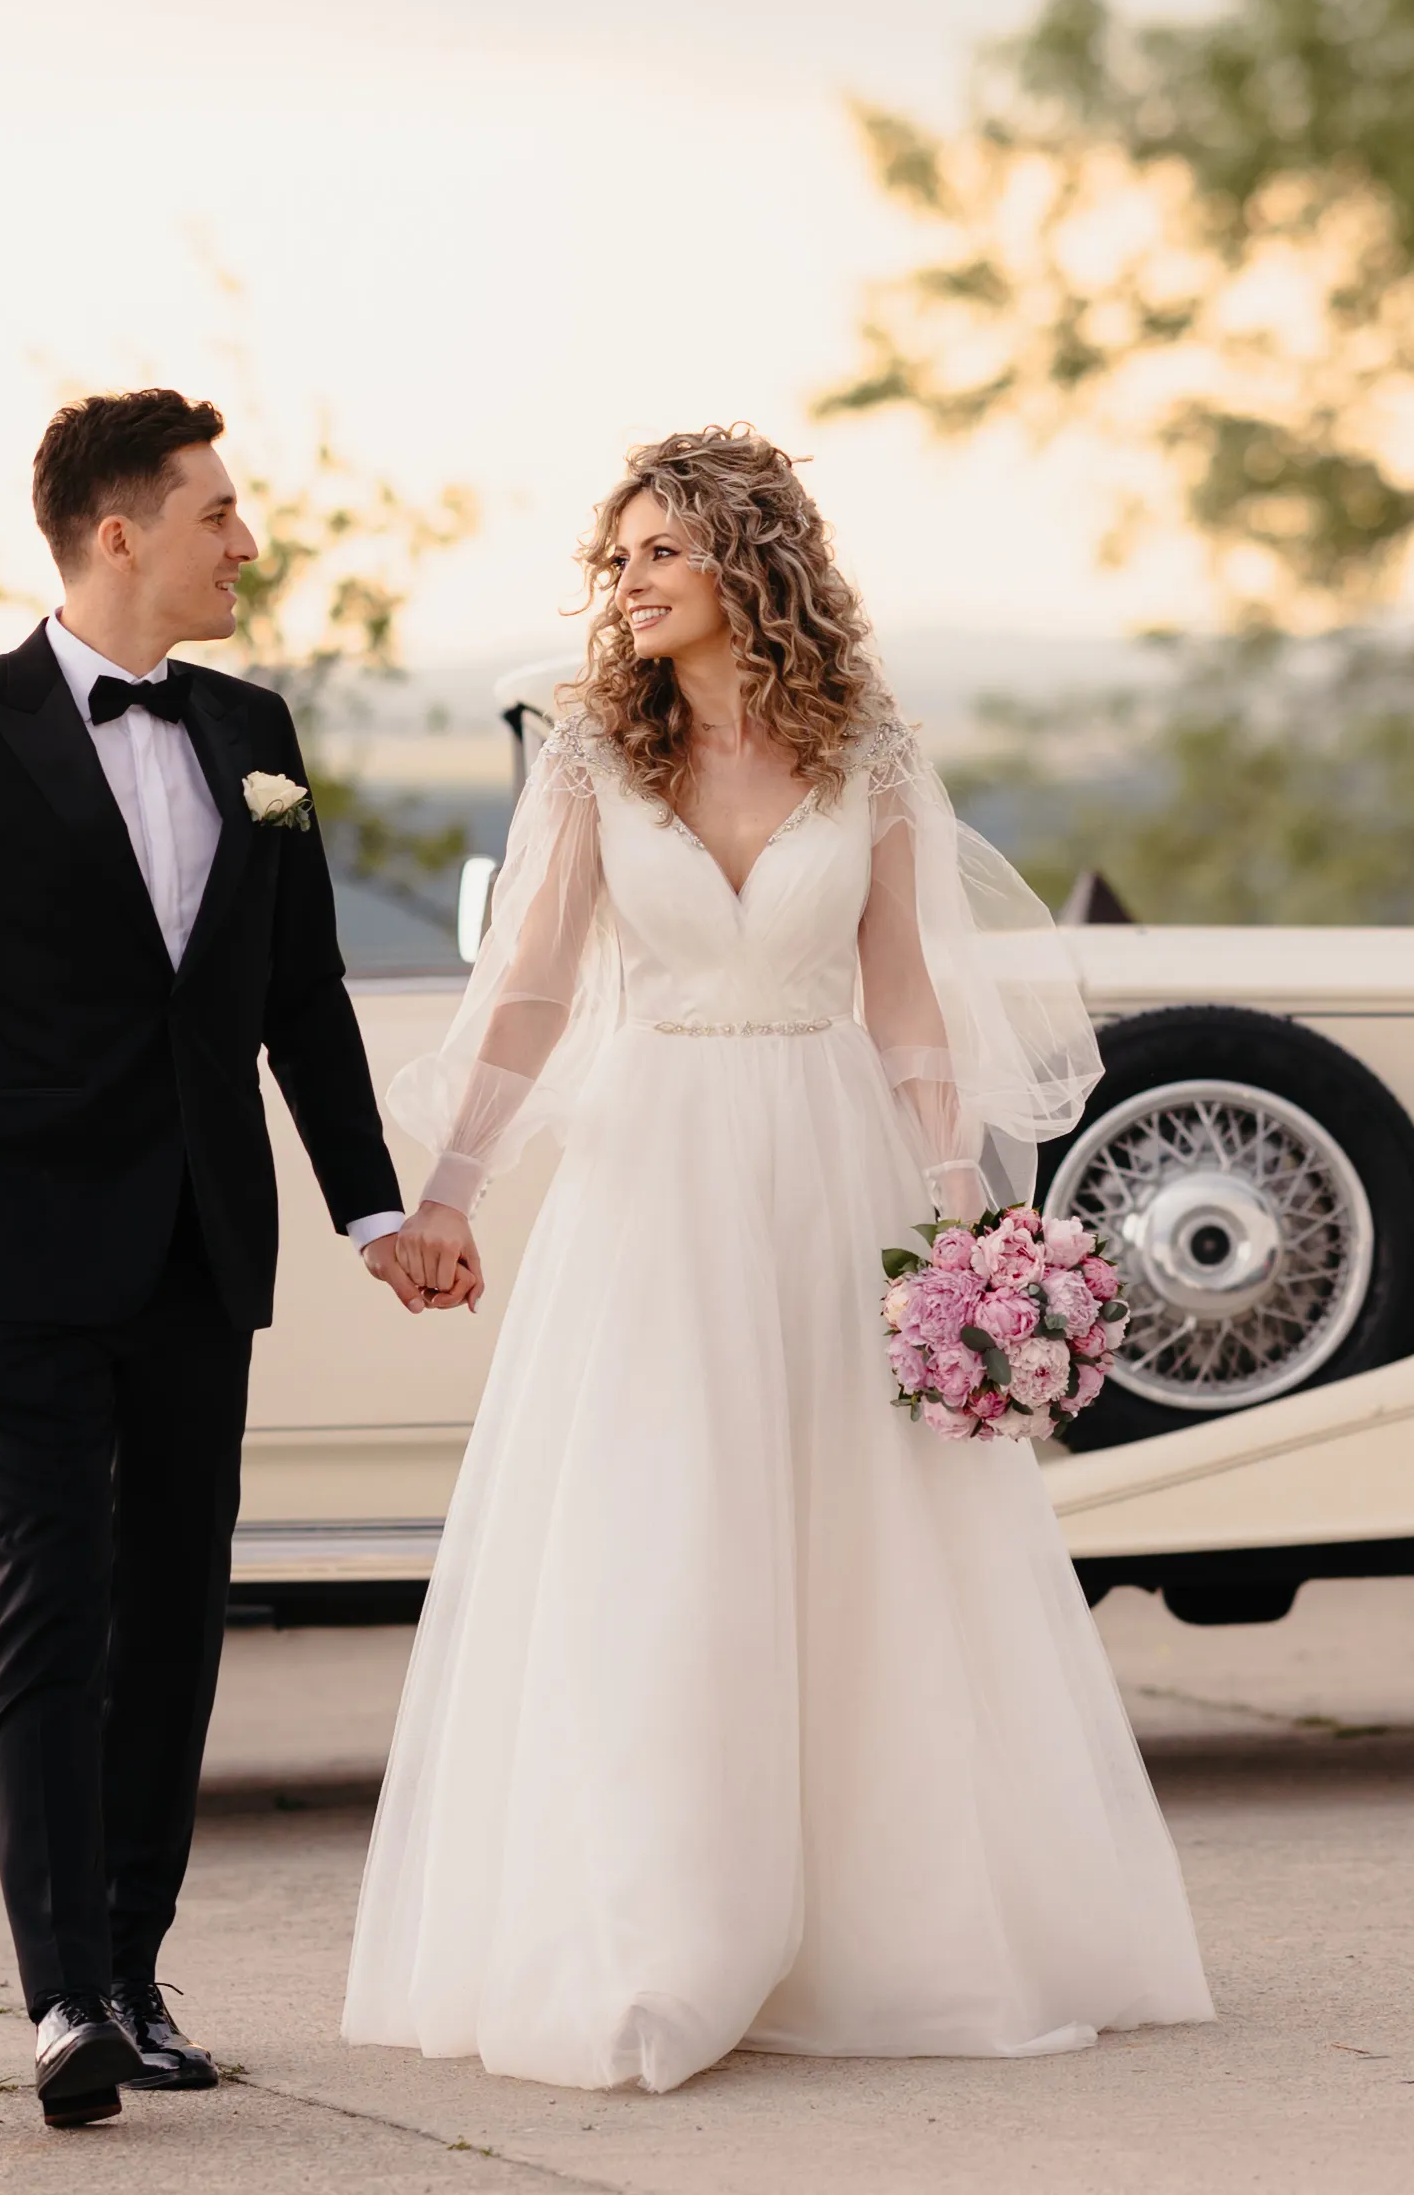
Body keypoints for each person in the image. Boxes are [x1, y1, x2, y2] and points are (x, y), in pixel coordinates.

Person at [347, 425, 1211, 2091]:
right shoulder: (592, 753)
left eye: (661, 551)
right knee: (660, 1530)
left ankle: (875, 1936)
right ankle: (654, 1939)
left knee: (855, 1537)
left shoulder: (865, 751)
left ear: (749, 563)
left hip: (832, 1161)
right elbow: (532, 987)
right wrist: (449, 1186)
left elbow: (904, 991)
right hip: (654, 1174)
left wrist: (958, 1213)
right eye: (619, 559)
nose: (630, 582)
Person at [0, 389, 480, 2130]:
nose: (245, 545)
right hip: (18, 1250)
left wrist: (372, 1212)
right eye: (216, 514)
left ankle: (131, 1971)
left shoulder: (252, 728)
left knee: (177, 1614)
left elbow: (298, 999)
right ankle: (59, 2001)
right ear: (117, 533)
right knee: (52, 1605)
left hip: (202, 1242)